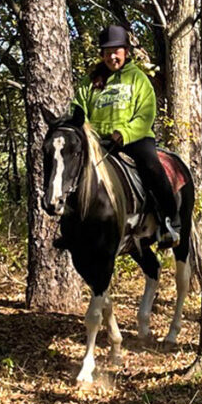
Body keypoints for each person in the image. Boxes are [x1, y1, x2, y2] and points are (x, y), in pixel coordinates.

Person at [73, 25, 180, 248]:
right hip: (98, 143)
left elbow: (146, 114)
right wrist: (86, 132)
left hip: (134, 139)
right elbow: (78, 111)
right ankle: (71, 224)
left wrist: (125, 133)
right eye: (107, 52)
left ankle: (169, 221)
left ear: (126, 51)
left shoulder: (138, 80)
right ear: (101, 55)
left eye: (117, 50)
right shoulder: (89, 83)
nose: (112, 56)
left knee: (151, 166)